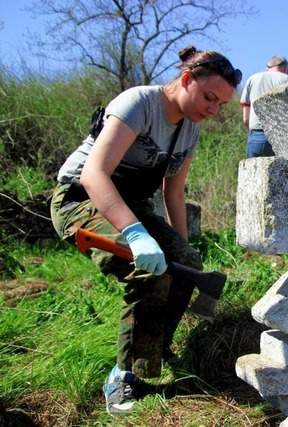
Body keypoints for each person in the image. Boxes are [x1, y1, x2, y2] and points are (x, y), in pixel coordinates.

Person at [49, 46, 241, 415]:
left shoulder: (190, 130)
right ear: (187, 80)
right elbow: (93, 175)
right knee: (150, 273)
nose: (213, 110)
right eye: (209, 98)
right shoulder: (138, 103)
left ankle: (151, 350)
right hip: (80, 199)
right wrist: (138, 237)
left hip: (131, 206)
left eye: (221, 105)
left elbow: (174, 191)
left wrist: (181, 253)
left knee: (185, 263)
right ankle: (123, 377)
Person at [240, 55, 288, 157]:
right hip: (283, 136)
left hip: (257, 135)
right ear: (285, 68)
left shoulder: (252, 79)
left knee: (253, 171)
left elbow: (245, 119)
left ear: (267, 68)